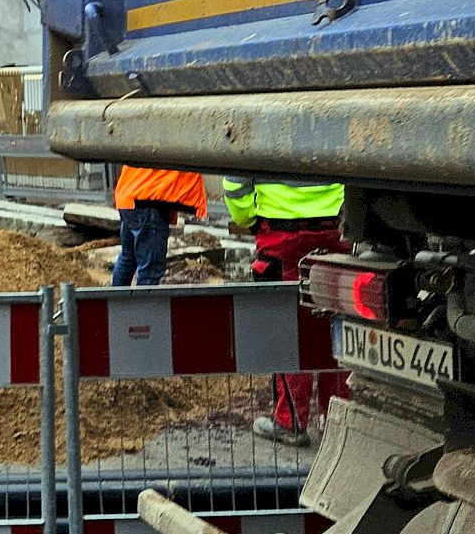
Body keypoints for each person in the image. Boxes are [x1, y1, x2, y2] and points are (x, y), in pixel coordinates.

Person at [226, 177, 353, 447]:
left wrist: (248, 218)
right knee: (334, 323)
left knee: (286, 330)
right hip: (334, 231)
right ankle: (336, 419)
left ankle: (290, 421)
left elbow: (236, 185)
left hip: (281, 239)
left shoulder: (259, 133)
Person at [111, 164, 207, 286]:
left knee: (128, 258)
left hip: (131, 196)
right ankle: (146, 305)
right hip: (147, 202)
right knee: (150, 270)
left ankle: (117, 303)